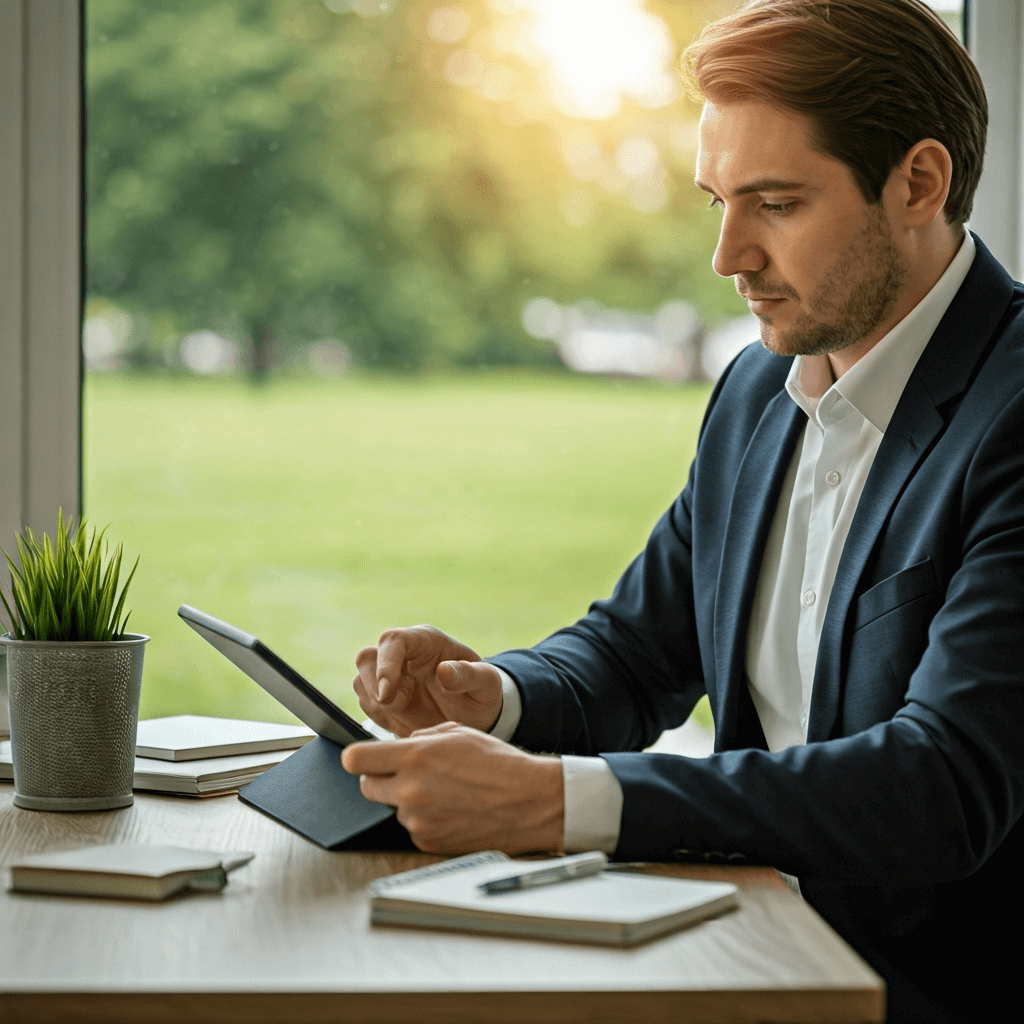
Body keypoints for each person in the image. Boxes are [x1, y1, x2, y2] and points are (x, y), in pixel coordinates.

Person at [343, 2, 1024, 1020]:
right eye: (717, 201)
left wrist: (560, 802)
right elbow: (636, 652)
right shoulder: (758, 393)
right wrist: (491, 697)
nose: (728, 255)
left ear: (918, 183)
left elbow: (943, 783)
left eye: (775, 204)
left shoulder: (1011, 411)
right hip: (742, 952)